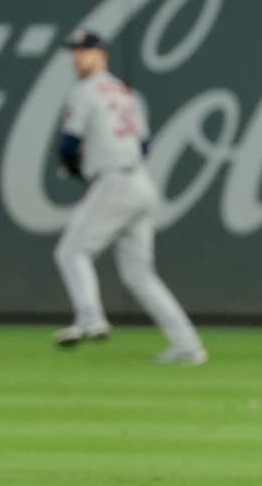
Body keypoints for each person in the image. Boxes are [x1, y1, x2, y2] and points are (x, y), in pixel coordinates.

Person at [52, 30, 207, 364]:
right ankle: (188, 345)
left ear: (102, 55)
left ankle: (90, 318)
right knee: (139, 274)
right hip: (140, 182)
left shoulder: (83, 91)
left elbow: (67, 146)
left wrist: (78, 168)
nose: (78, 57)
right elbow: (145, 145)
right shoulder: (124, 92)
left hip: (115, 181)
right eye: (75, 51)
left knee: (71, 251)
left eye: (86, 51)